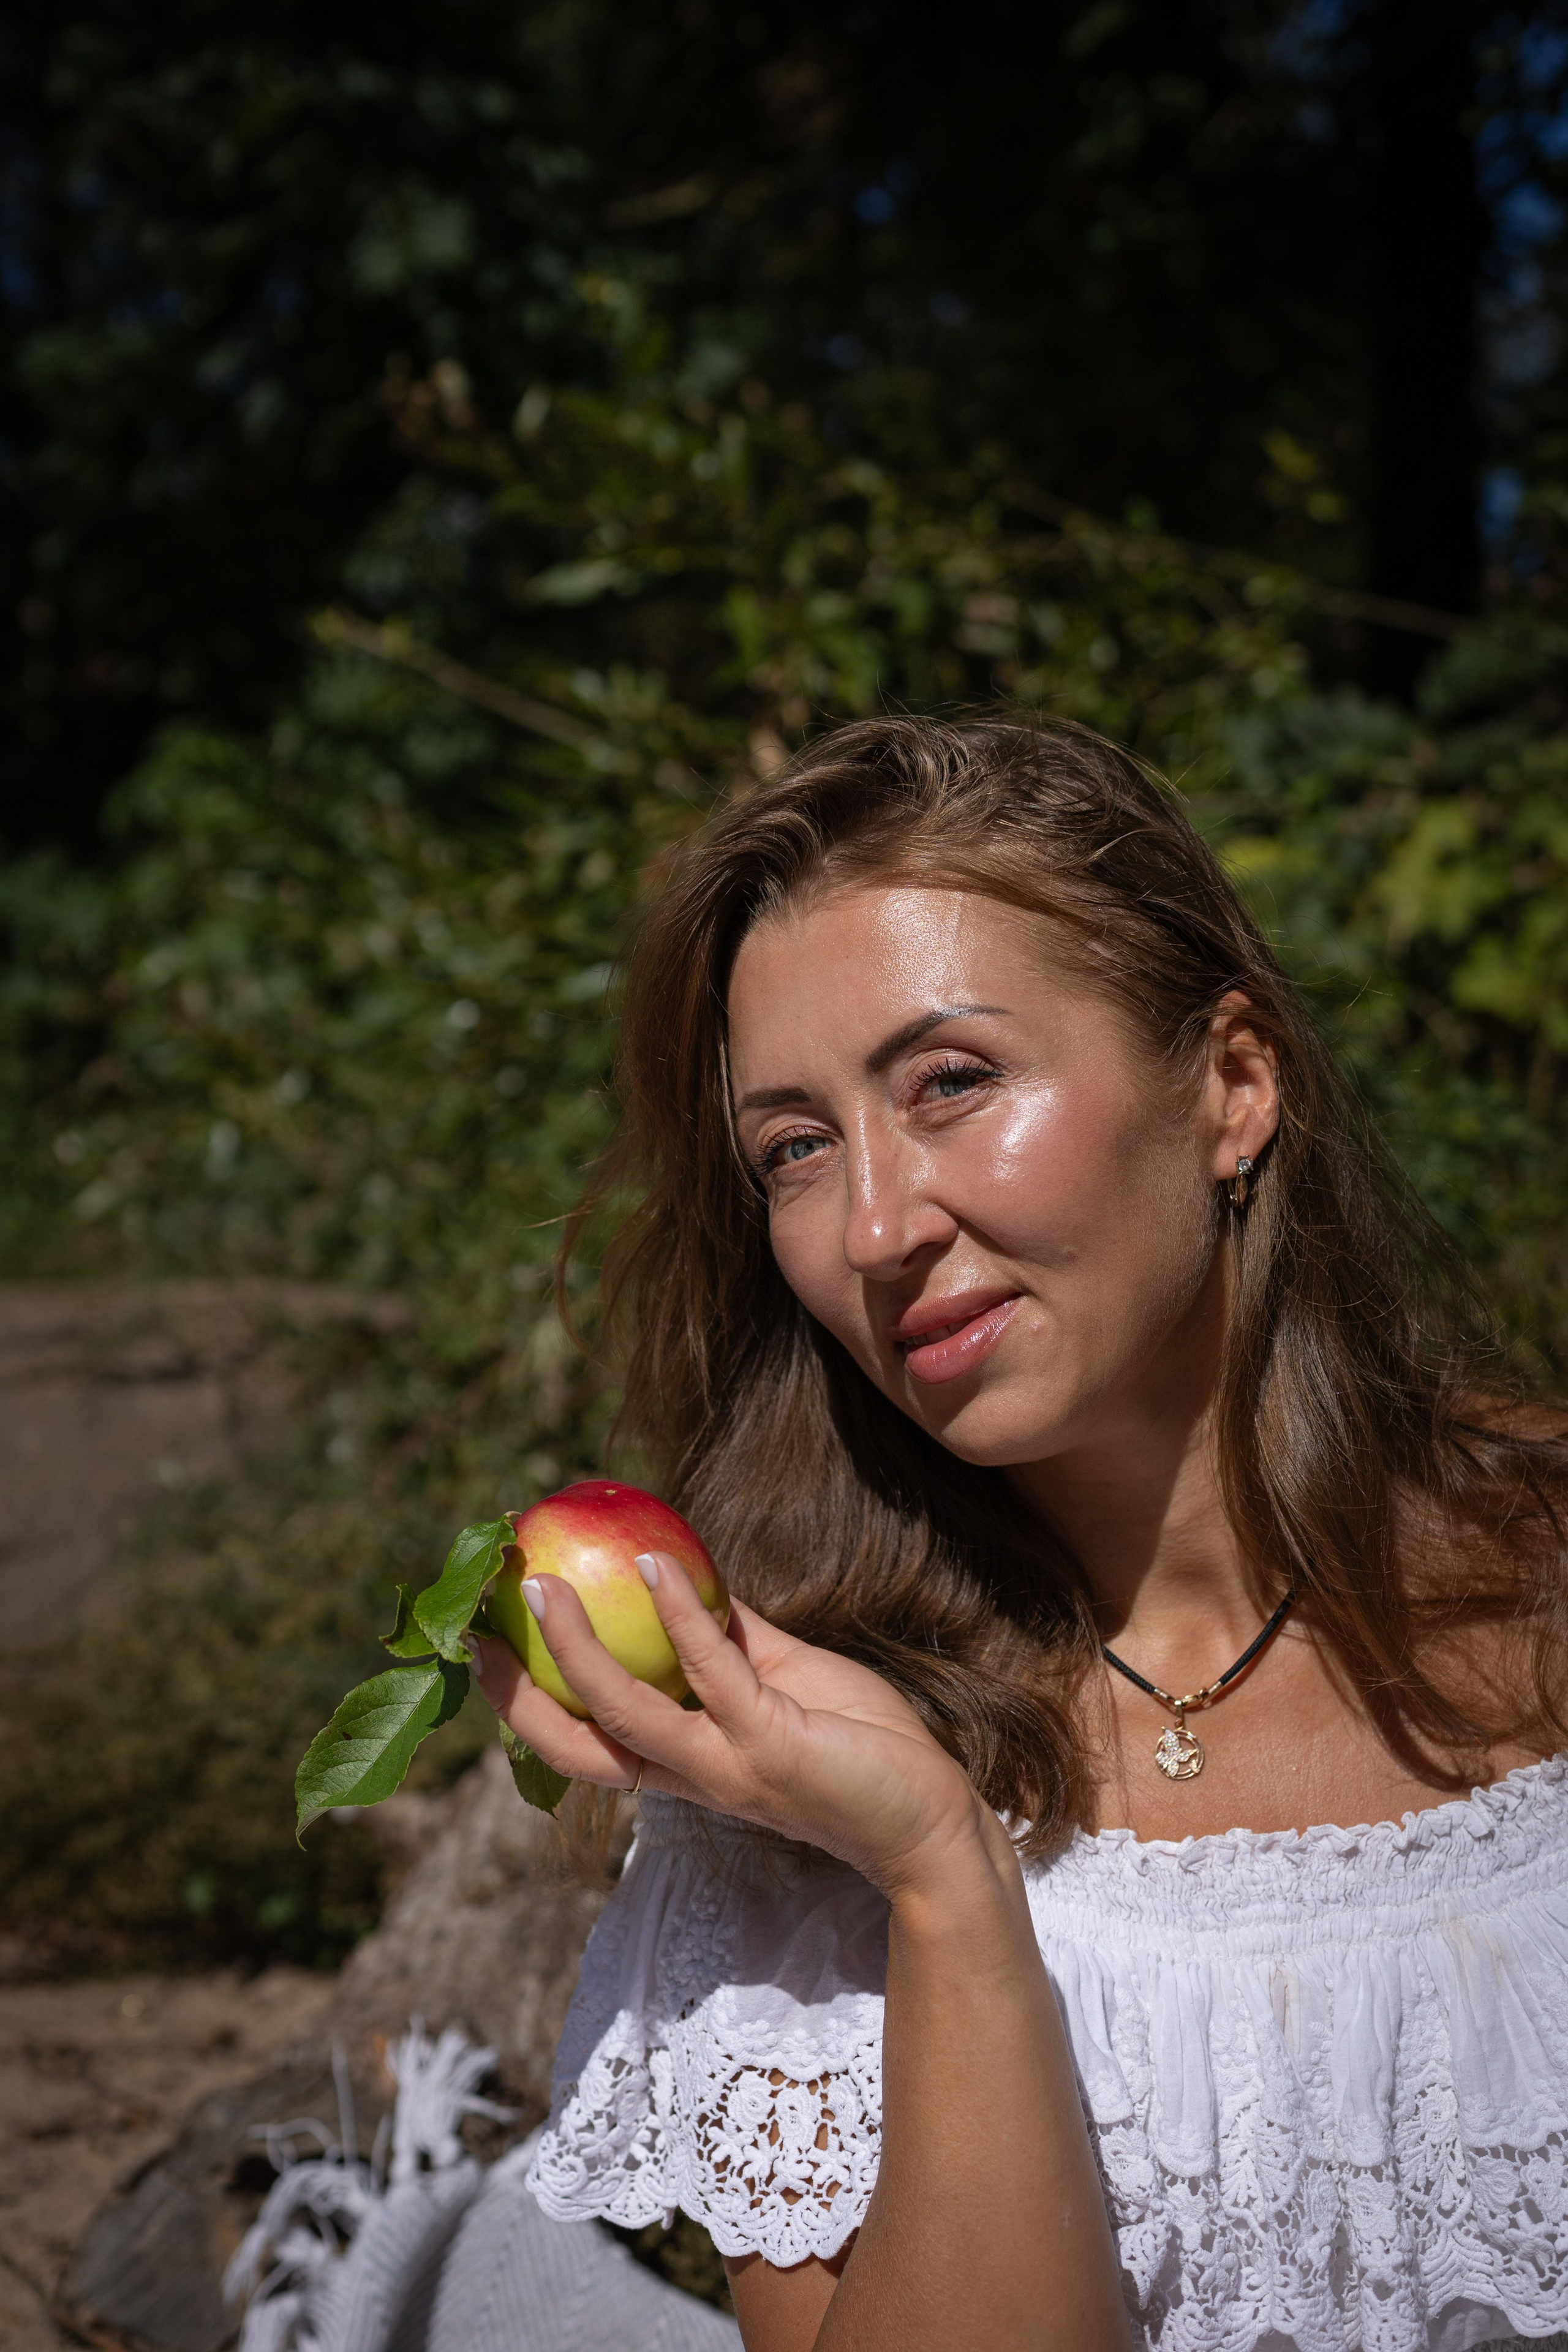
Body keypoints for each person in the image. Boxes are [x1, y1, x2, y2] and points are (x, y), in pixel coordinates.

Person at [473, 717, 1568, 2352]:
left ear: (1234, 1085)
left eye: (954, 1082)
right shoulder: (795, 1763)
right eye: (793, 1148)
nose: (875, 1226)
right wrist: (937, 1872)